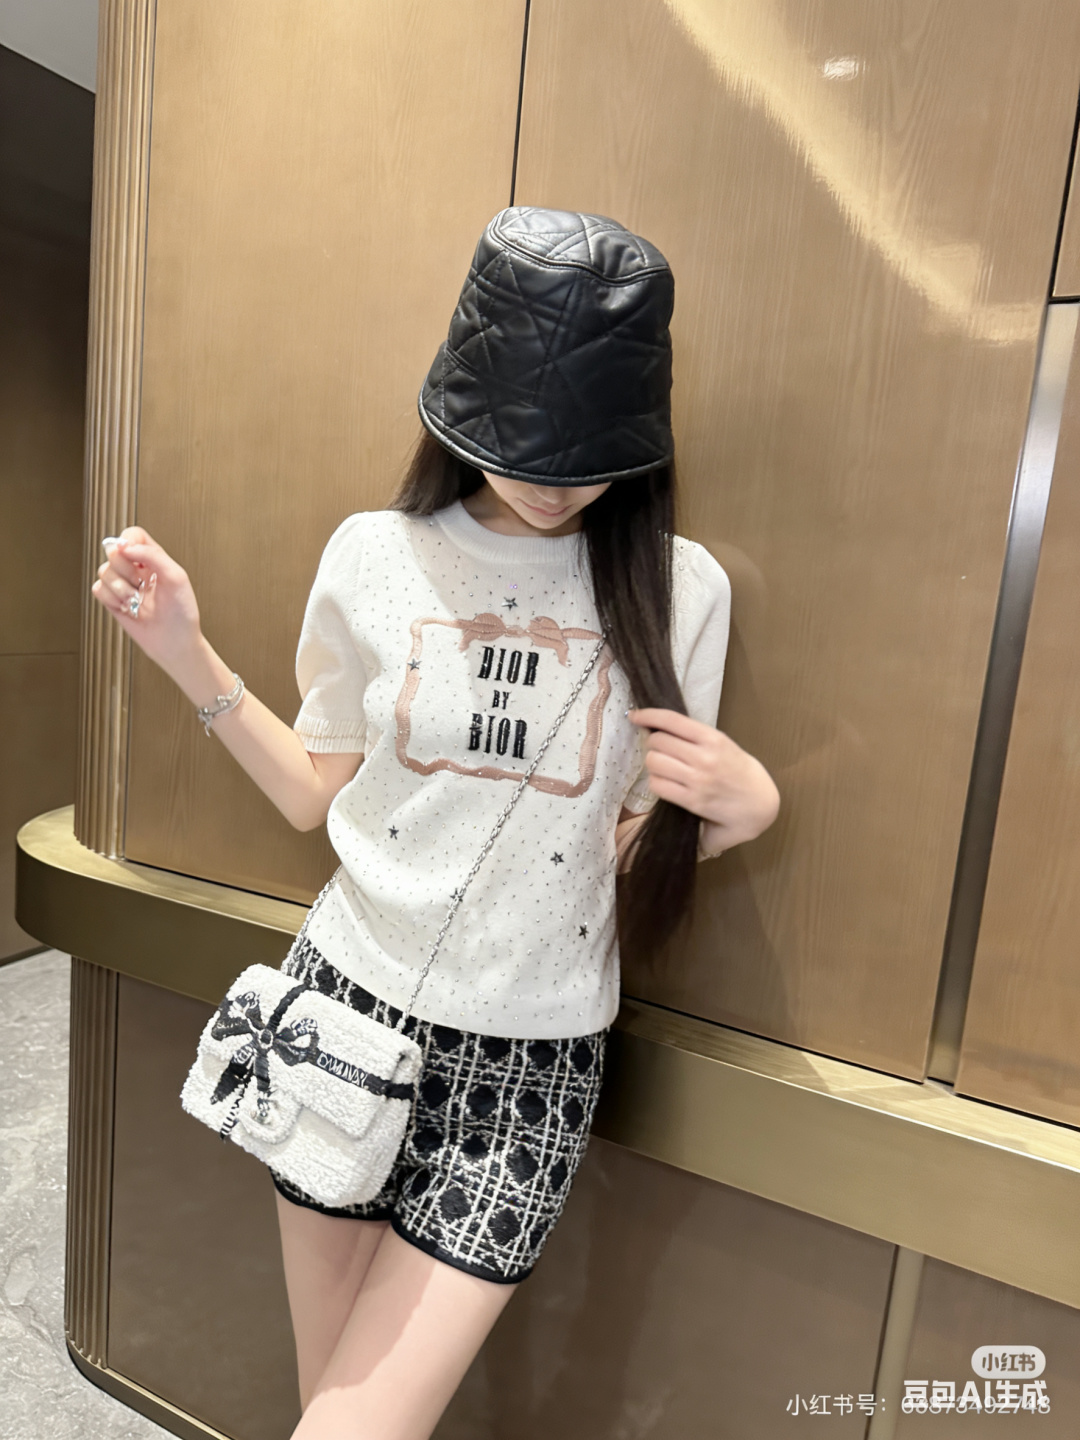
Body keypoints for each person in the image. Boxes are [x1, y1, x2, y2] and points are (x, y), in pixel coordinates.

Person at [91, 207, 780, 1440]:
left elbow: (614, 853)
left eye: (588, 453)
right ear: (464, 403)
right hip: (343, 1009)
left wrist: (740, 815)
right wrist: (185, 652)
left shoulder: (683, 590)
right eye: (525, 443)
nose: (556, 481)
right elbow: (313, 792)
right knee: (335, 1409)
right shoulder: (375, 553)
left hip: (529, 1068)